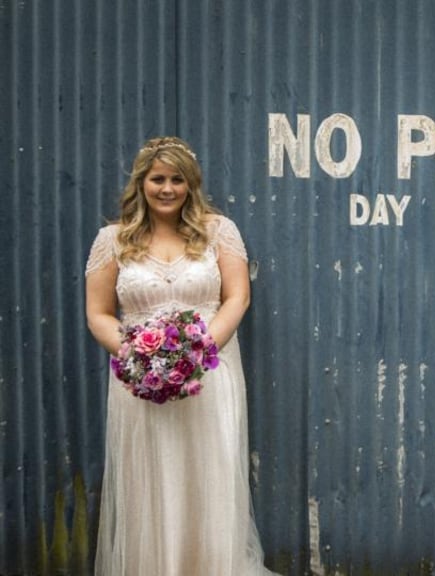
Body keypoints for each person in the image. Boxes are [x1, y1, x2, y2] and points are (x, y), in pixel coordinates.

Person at [85, 137, 276, 575]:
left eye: (176, 180)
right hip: (140, 383)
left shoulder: (218, 231)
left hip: (209, 375)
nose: (167, 188)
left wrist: (193, 355)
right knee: (151, 483)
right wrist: (141, 358)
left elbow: (238, 297)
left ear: (190, 185)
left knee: (206, 479)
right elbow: (98, 314)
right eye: (157, 179)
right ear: (142, 183)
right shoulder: (112, 240)